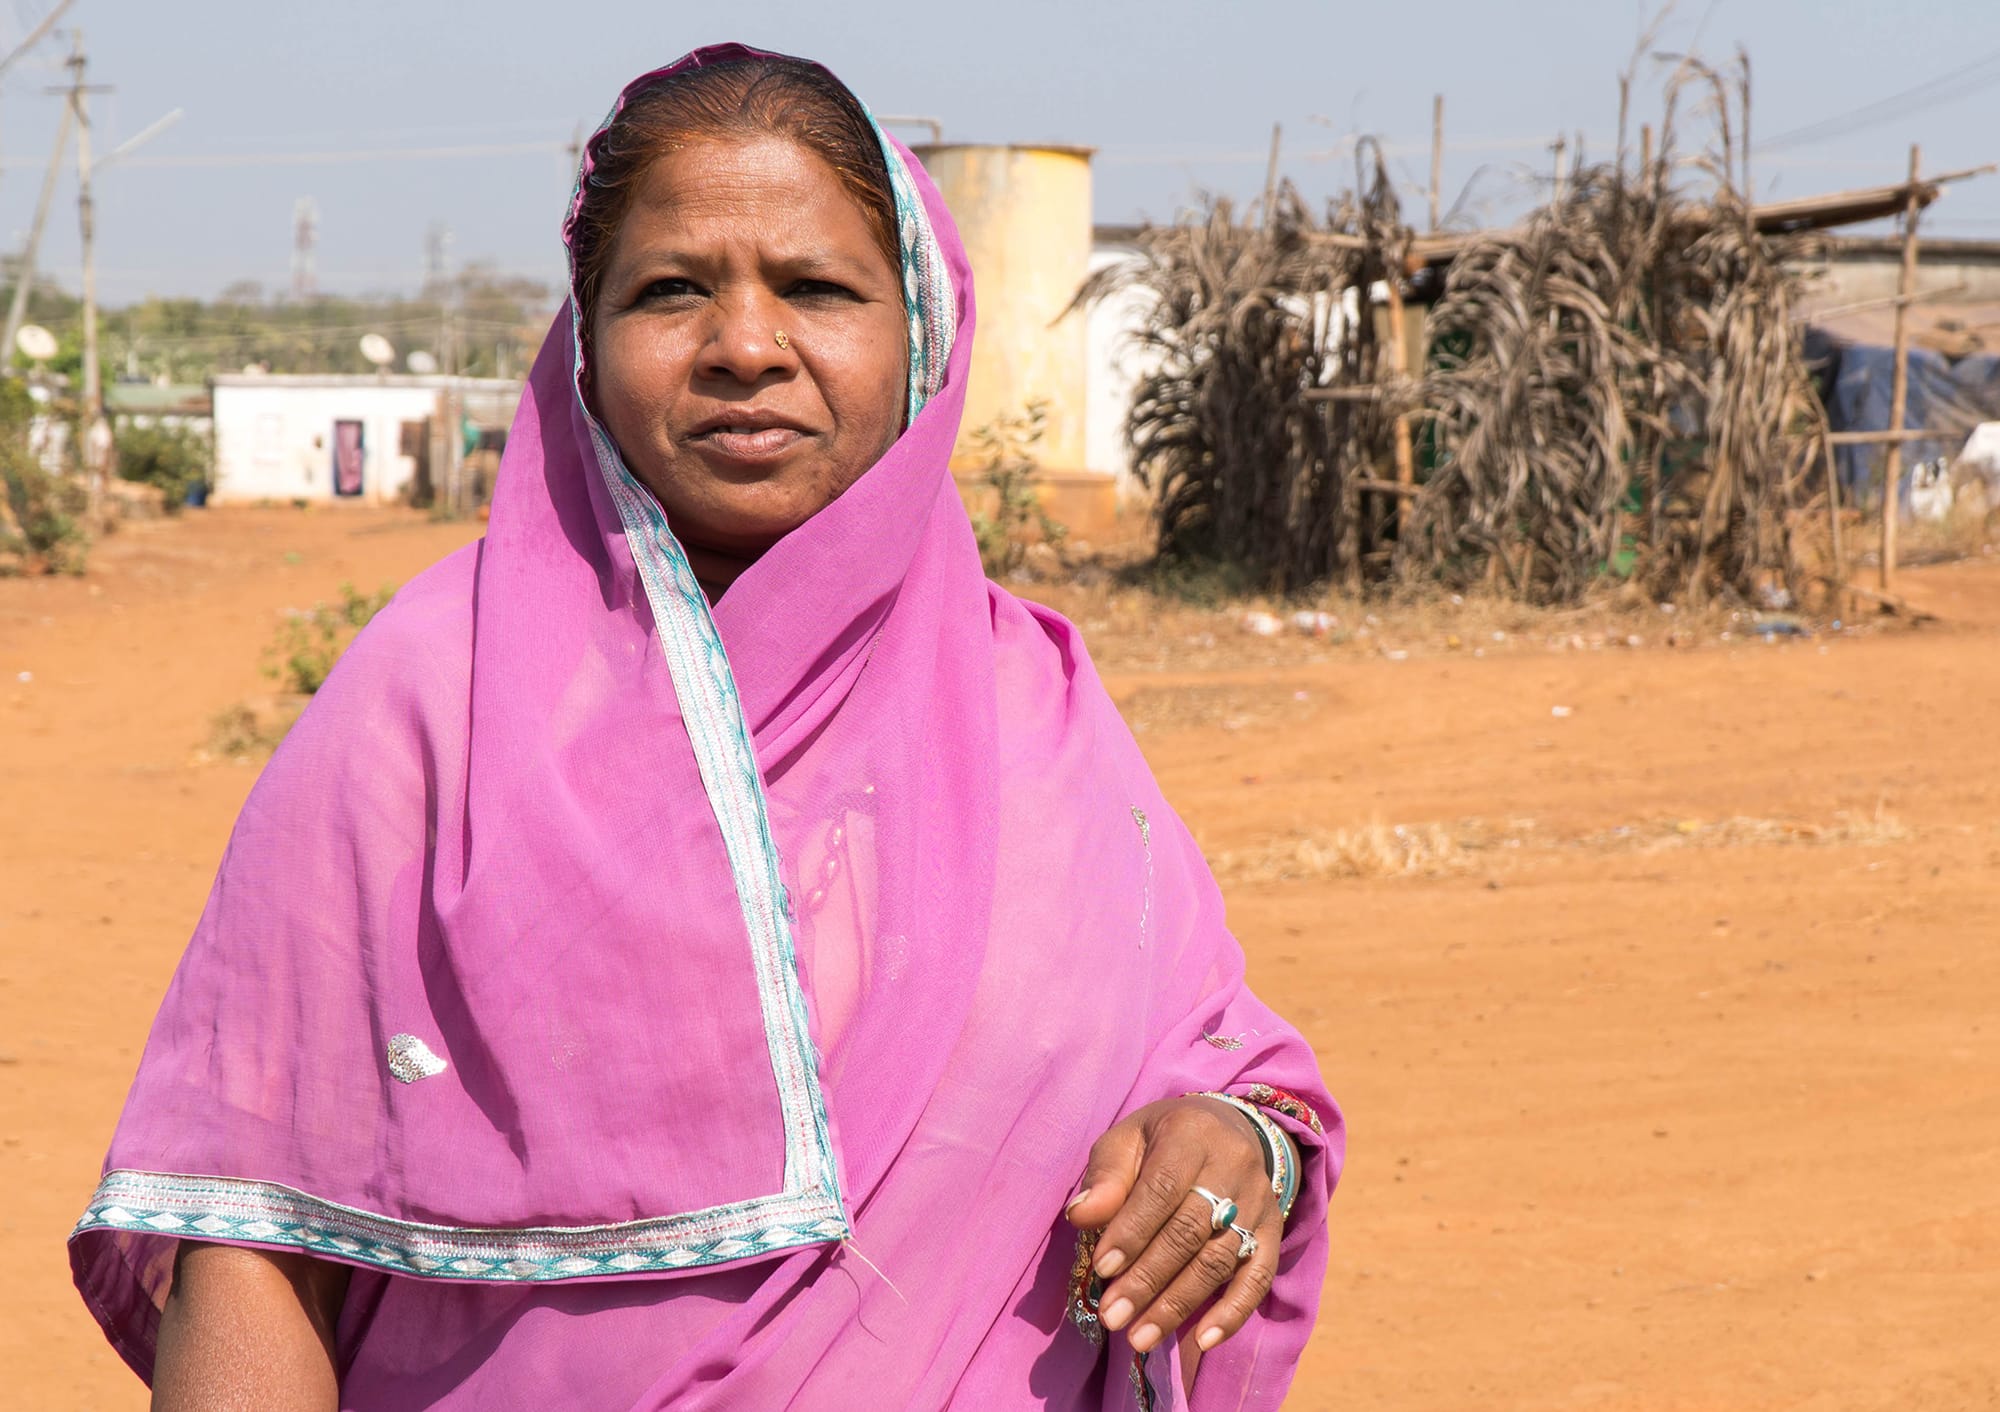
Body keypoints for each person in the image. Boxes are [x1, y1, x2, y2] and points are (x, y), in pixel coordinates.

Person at [69, 46, 1339, 1411]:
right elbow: (262, 1239)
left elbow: (1227, 1065)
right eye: (672, 290)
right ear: (585, 337)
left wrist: (1236, 1155)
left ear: (919, 330)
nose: (744, 345)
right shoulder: (432, 704)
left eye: (815, 288)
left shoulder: (1032, 706)